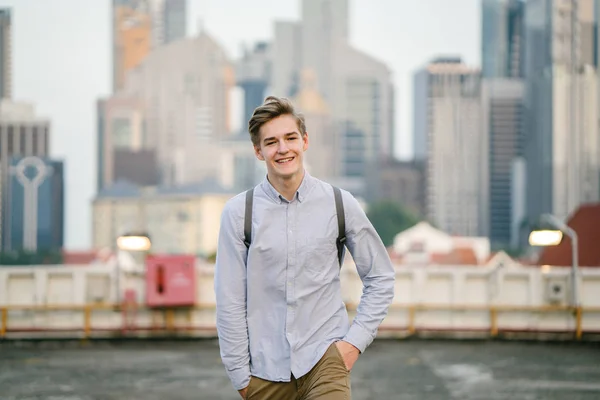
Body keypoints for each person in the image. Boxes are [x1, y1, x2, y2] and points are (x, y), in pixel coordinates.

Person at [214, 96, 395, 400]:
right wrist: (241, 378)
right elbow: (229, 300)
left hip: (325, 361)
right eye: (271, 142)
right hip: (264, 373)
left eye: (290, 138)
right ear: (258, 151)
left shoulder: (340, 204)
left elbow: (381, 277)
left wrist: (352, 345)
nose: (283, 149)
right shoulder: (238, 213)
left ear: (305, 141)